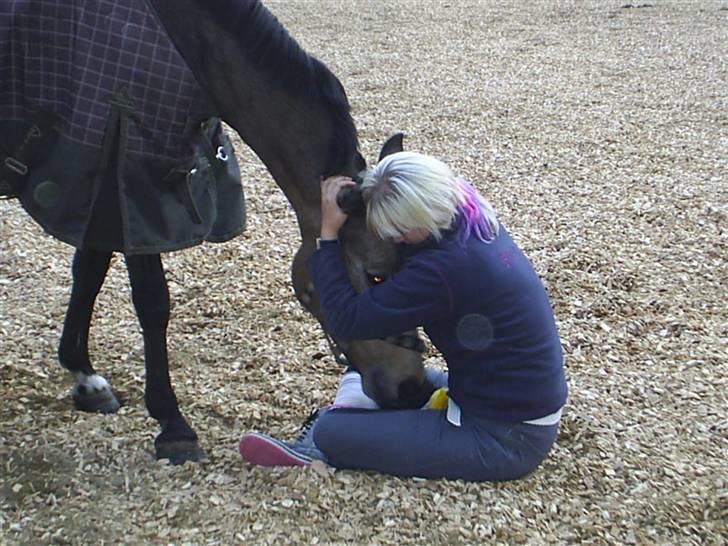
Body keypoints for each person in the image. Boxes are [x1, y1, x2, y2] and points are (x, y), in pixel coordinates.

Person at [239, 151, 567, 482]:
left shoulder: (444, 270)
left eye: (399, 229)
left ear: (421, 215)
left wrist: (327, 234)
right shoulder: (467, 210)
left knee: (330, 431)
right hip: (503, 399)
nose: (395, 239)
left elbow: (347, 320)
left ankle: (326, 444)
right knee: (374, 371)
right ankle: (366, 421)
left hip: (503, 438)